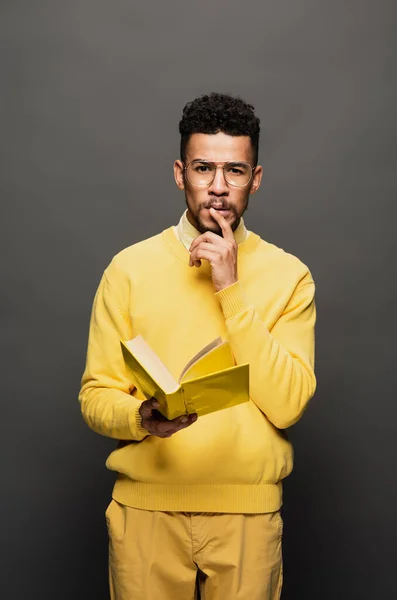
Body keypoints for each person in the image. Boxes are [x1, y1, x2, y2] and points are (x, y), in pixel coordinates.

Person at [78, 92, 317, 600]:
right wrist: (141, 418)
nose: (217, 188)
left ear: (255, 179)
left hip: (248, 514)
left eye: (234, 171)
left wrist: (230, 289)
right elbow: (95, 396)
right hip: (145, 510)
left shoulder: (289, 276)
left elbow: (290, 404)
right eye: (203, 168)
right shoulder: (129, 269)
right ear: (179, 173)